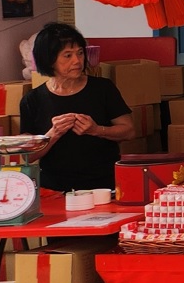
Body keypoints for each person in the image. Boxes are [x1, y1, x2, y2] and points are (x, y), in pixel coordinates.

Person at [18, 23, 133, 192]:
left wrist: (96, 130)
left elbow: (129, 131)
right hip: (54, 189)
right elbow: (28, 155)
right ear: (49, 59)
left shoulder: (103, 88)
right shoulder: (32, 100)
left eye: (80, 53)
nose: (77, 61)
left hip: (103, 186)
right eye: (68, 55)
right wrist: (53, 133)